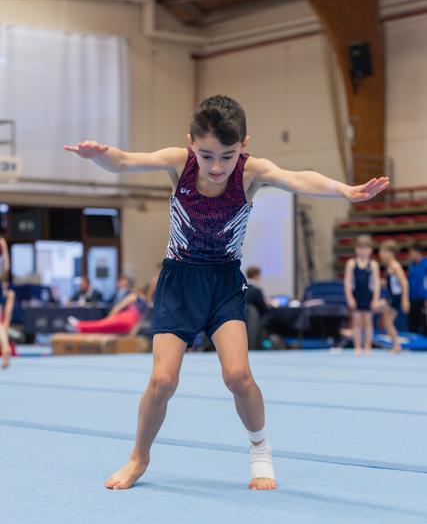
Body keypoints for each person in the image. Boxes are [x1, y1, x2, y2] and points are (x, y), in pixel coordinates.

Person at [65, 94, 389, 491]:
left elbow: (300, 178)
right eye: (206, 156)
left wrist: (344, 190)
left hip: (223, 283)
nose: (217, 167)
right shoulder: (177, 163)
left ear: (244, 146)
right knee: (163, 381)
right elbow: (125, 161)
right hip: (179, 282)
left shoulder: (252, 172)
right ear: (191, 145)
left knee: (238, 375)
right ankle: (139, 457)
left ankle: (260, 450)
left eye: (228, 156)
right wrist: (100, 154)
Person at [344, 235, 381, 354]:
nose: (363, 251)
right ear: (356, 249)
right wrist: (350, 298)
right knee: (357, 321)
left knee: (368, 321)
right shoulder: (351, 264)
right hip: (356, 295)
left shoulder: (373, 265)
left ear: (370, 250)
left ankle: (367, 347)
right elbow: (348, 282)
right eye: (360, 248)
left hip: (368, 295)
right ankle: (358, 347)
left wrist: (375, 299)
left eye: (365, 248)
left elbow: (376, 283)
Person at [68, 285, 148, 335]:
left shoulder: (134, 296)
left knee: (101, 324)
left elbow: (119, 307)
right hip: (129, 325)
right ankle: (80, 329)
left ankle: (78, 325)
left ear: (139, 291)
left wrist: (109, 318)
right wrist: (130, 336)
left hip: (125, 317)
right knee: (103, 329)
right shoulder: (146, 306)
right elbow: (138, 324)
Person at [378, 239, 410, 352]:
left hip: (396, 298)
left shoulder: (395, 266)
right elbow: (391, 284)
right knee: (387, 321)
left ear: (390, 253)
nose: (381, 254)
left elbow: (404, 282)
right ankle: (395, 345)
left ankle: (396, 345)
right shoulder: (389, 266)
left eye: (383, 252)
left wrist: (405, 299)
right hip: (391, 296)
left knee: (387, 322)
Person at [407, 241, 427, 335]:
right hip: (412, 298)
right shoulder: (411, 265)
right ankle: (413, 345)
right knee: (412, 322)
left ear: (417, 252)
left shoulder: (426, 264)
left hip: (423, 299)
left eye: (411, 252)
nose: (410, 255)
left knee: (423, 322)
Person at [0, 231, 12, 368]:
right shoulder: (2, 241)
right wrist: (3, 282)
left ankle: (5, 347)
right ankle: (5, 347)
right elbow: (6, 266)